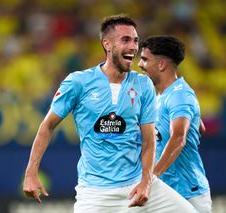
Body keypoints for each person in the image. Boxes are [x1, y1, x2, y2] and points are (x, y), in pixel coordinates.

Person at [23, 14, 197, 213]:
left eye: (135, 41)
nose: (133, 47)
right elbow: (47, 126)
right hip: (96, 195)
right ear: (107, 44)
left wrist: (147, 181)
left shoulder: (143, 84)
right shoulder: (78, 82)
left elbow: (148, 139)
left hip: (136, 185)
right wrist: (30, 173)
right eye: (125, 40)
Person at [138, 35, 212, 213]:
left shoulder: (179, 95)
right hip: (167, 191)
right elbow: (200, 127)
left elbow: (178, 138)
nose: (140, 65)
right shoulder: (162, 96)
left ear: (161, 64)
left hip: (187, 193)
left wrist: (150, 178)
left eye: (145, 59)